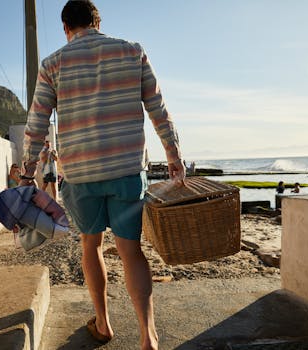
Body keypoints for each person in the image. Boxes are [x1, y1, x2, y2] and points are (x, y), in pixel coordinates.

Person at [21, 1, 185, 349]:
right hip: (126, 171)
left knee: (91, 246)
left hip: (80, 175)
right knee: (131, 251)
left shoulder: (53, 63)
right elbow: (158, 109)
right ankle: (148, 335)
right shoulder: (132, 52)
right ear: (98, 22)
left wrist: (27, 171)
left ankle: (103, 323)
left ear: (66, 27)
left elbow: (36, 124)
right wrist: (174, 155)